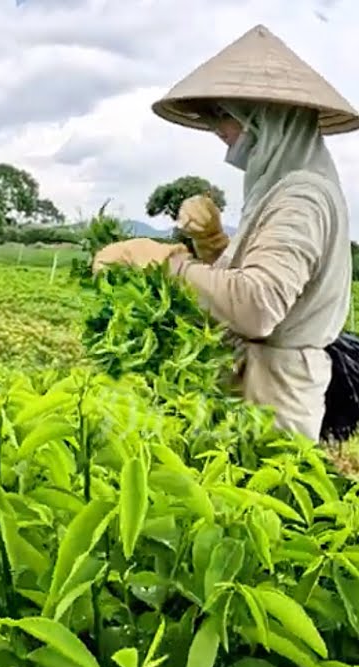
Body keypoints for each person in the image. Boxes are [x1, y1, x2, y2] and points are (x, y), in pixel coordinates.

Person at [92, 25, 356, 442]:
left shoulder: (301, 198)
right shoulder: (280, 188)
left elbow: (257, 306)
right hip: (255, 384)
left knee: (262, 483)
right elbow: (263, 283)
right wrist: (213, 245)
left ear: (266, 117)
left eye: (225, 113)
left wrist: (167, 264)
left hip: (273, 398)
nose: (219, 128)